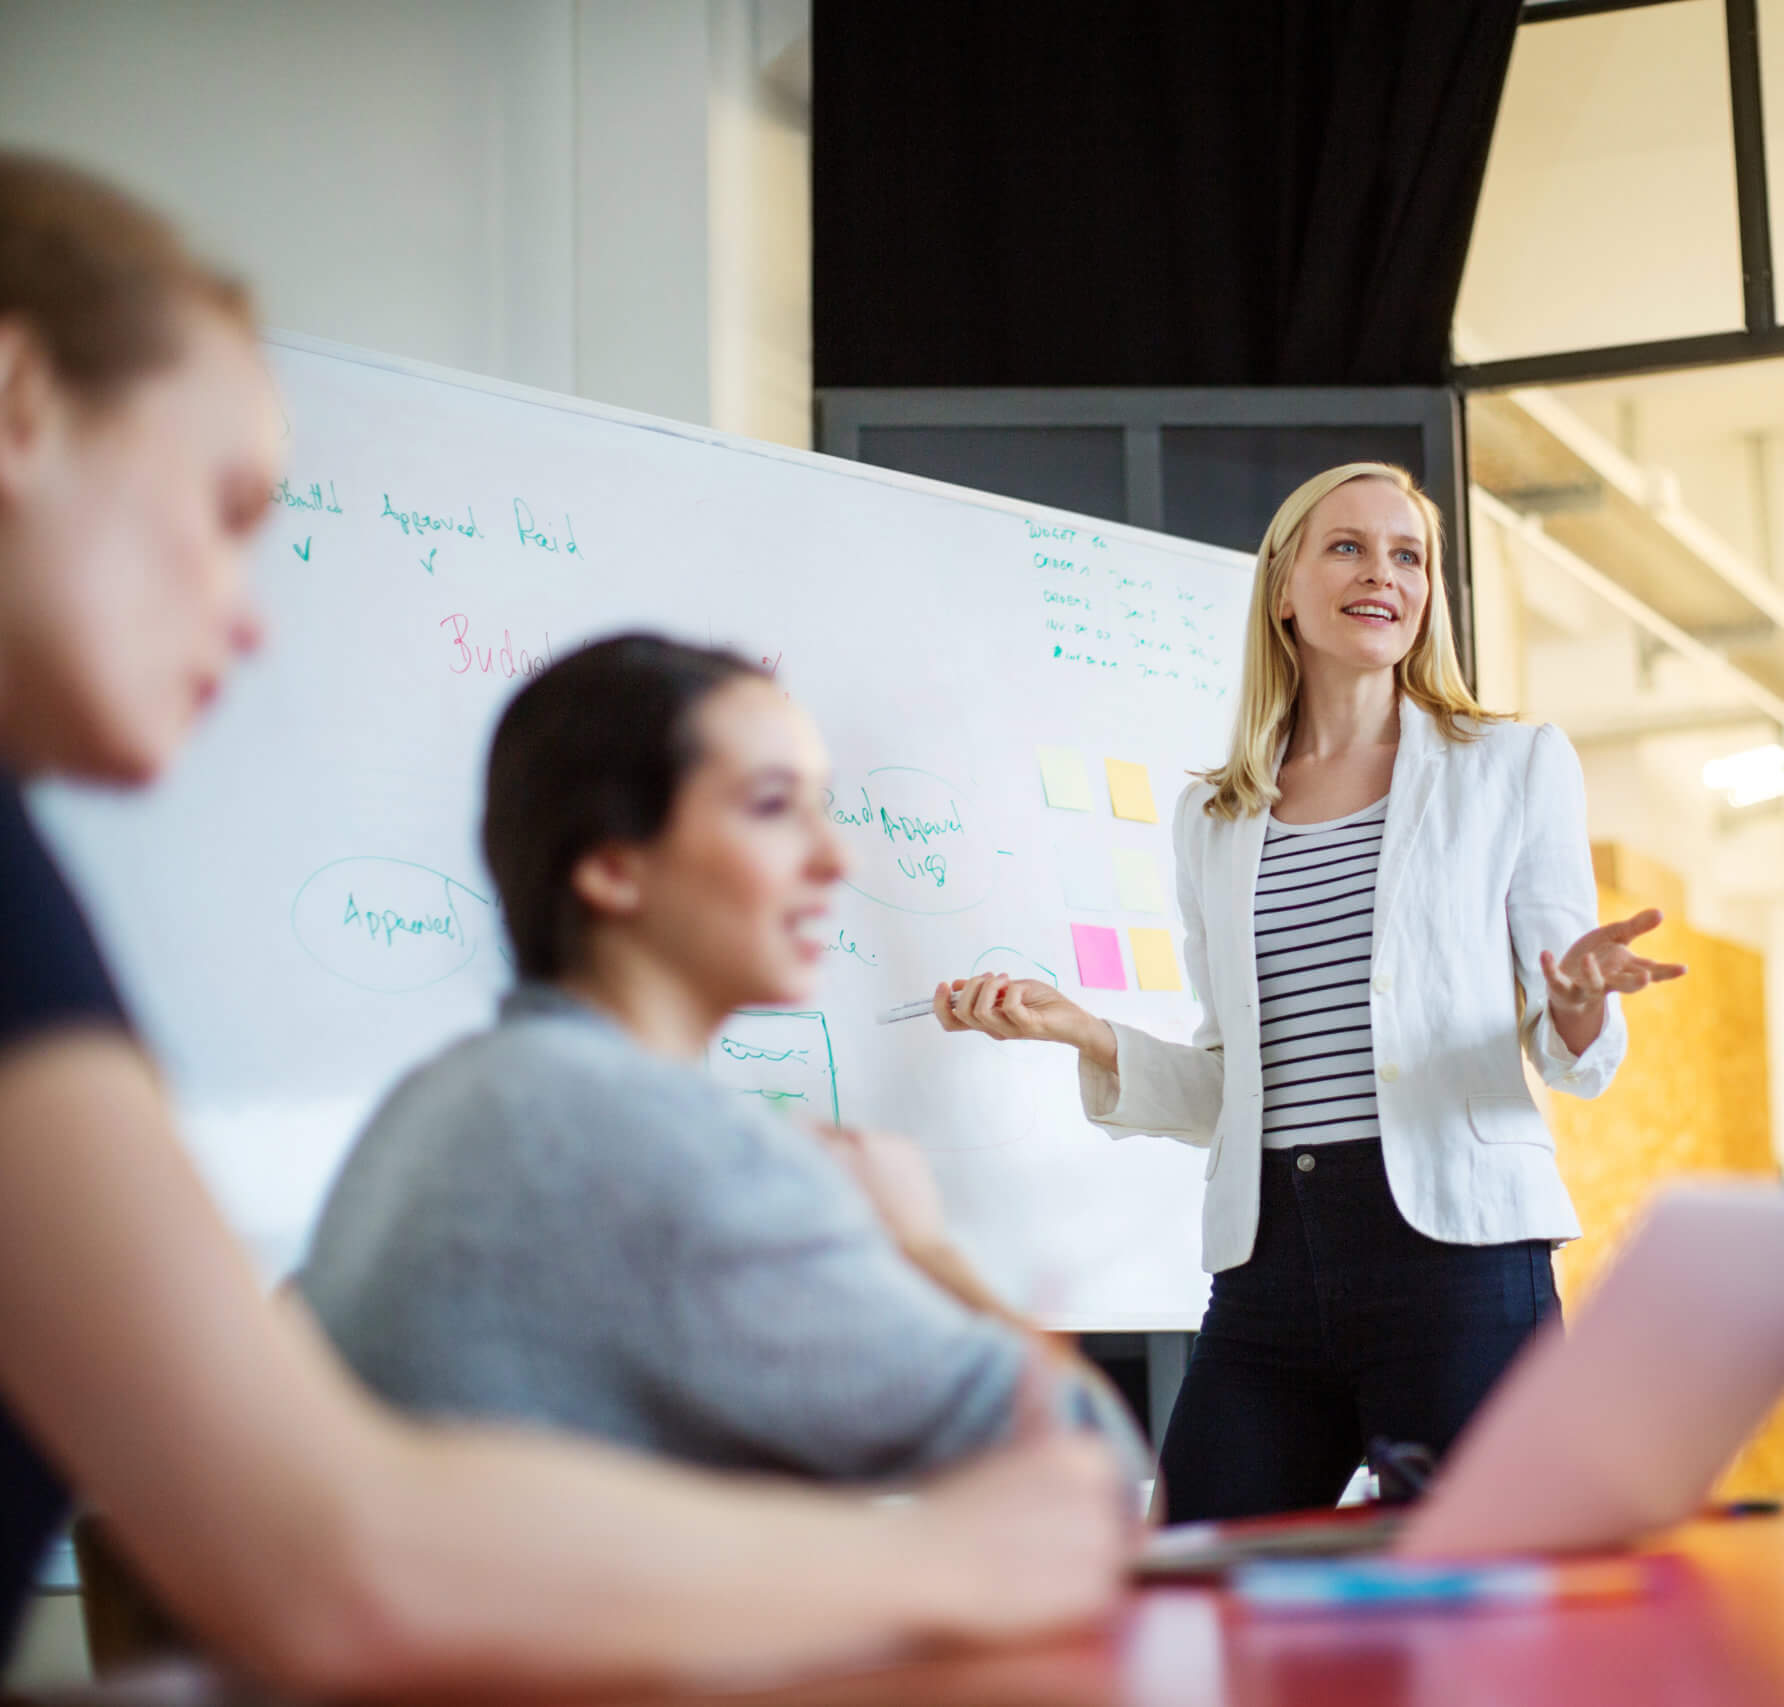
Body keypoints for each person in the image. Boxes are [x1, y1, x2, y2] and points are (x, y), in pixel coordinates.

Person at [0, 149, 1125, 1691]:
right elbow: (1087, 1472)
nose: (247, 607)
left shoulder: (443, 1098)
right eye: (224, 506)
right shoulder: (652, 1135)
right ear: (18, 401)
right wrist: (923, 1257)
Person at [935, 462, 1684, 1522]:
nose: (1383, 574)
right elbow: (1229, 1092)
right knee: (1186, 1575)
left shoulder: (1509, 766)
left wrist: (1575, 998)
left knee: (1484, 1601)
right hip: (1270, 1259)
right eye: (1347, 547)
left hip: (1458, 1260)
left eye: (1407, 554)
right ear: (1282, 586)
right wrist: (1084, 1032)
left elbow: (1575, 1053)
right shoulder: (1217, 816)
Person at [298, 635, 1146, 1490]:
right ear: (611, 866)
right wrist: (921, 1247)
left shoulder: (428, 1107)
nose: (836, 857)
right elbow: (1089, 1465)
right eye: (773, 806)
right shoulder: (679, 1146)